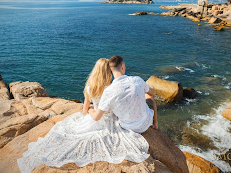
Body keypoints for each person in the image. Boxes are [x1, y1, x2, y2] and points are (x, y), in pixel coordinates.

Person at [17, 58, 150, 173]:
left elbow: (84, 110)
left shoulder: (89, 88)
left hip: (94, 119)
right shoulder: (112, 88)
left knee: (71, 134)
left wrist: (92, 109)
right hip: (112, 120)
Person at [89, 56, 158, 133]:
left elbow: (96, 118)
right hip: (145, 124)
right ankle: (155, 124)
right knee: (149, 96)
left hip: (127, 127)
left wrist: (90, 110)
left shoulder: (109, 91)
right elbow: (151, 93)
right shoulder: (137, 79)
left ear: (111, 71)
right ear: (122, 66)